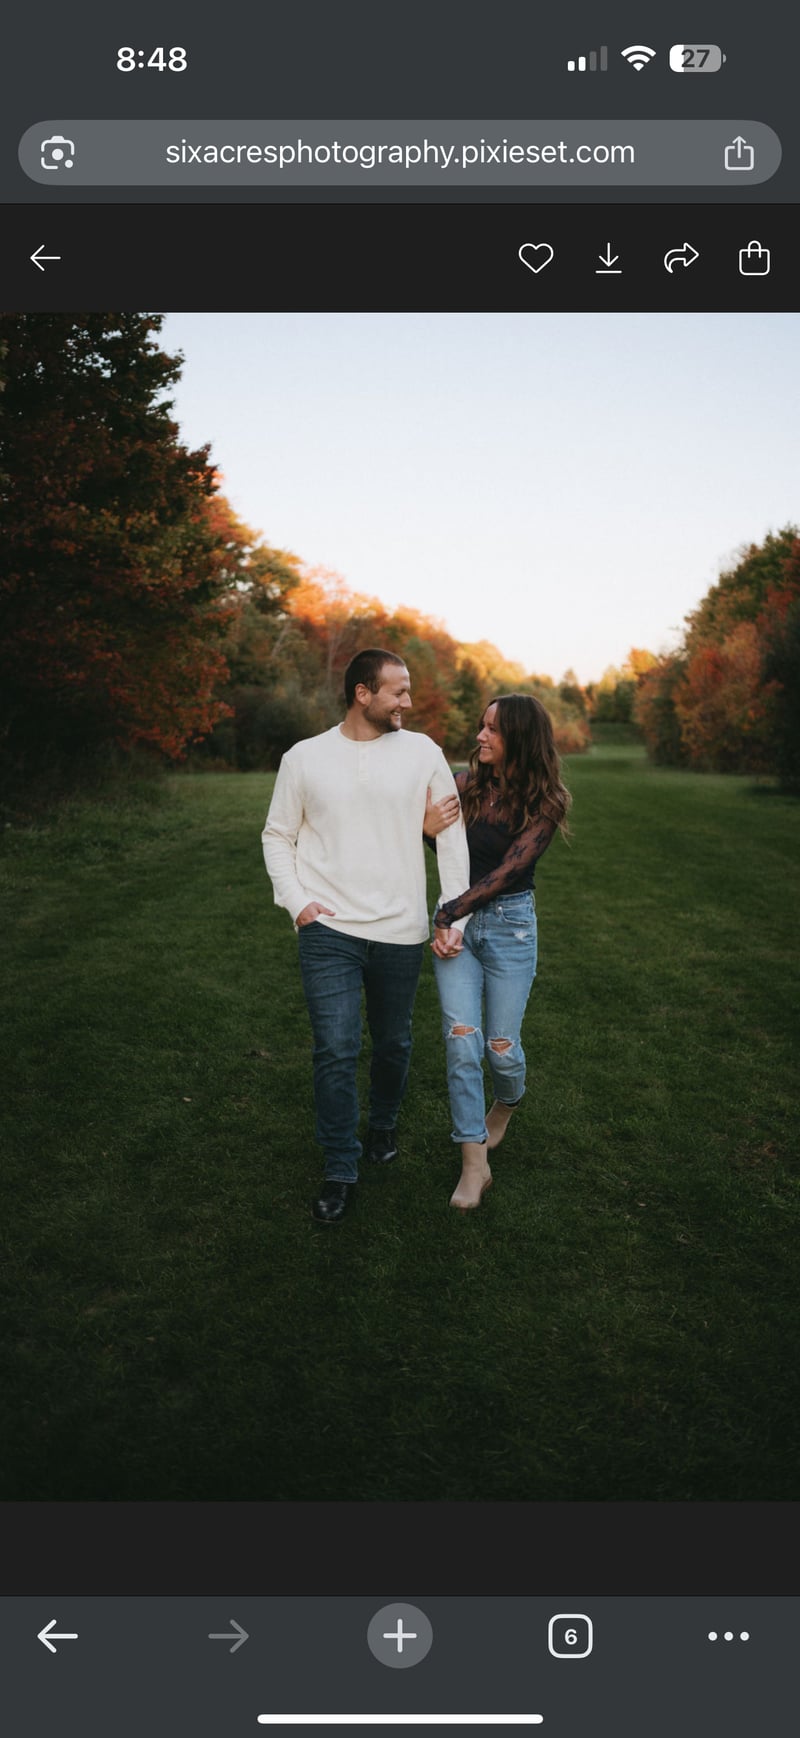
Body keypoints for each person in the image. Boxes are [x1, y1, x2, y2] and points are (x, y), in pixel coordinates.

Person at [261, 648, 471, 1223]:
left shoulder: (424, 751)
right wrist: (298, 902)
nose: (408, 701)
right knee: (335, 1047)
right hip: (328, 927)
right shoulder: (304, 758)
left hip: (400, 929)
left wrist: (452, 914)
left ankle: (382, 1122)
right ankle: (339, 1166)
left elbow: (451, 839)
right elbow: (277, 835)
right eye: (398, 692)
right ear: (362, 693)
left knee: (394, 1042)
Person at [424, 693, 571, 1210]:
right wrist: (426, 831)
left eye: (493, 730)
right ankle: (473, 1161)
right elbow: (447, 850)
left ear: (521, 740)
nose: (480, 737)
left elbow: (508, 871)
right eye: (481, 726)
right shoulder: (463, 787)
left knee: (500, 1049)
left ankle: (505, 1104)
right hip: (458, 924)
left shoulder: (546, 802)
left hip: (510, 929)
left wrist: (449, 913)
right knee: (462, 1040)